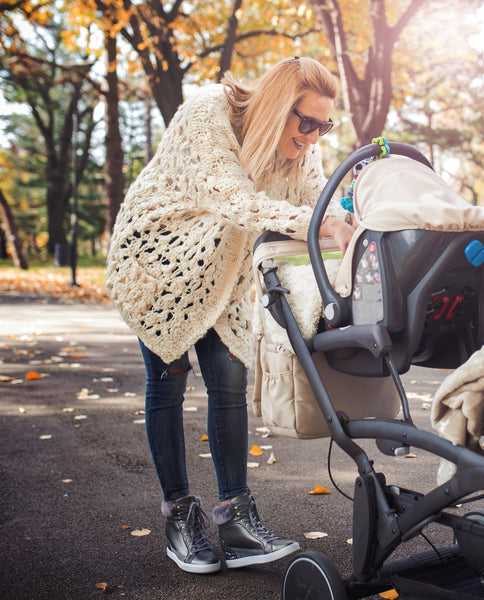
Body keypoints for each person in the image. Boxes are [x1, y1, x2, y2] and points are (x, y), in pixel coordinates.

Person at [105, 57, 355, 575]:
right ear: (275, 107)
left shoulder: (302, 150)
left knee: (229, 383)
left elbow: (318, 205)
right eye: (305, 121)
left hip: (227, 269)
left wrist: (351, 223)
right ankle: (179, 515)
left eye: (323, 125)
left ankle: (237, 521)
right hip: (160, 260)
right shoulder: (207, 111)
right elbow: (233, 197)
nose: (313, 136)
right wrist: (321, 222)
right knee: (168, 382)